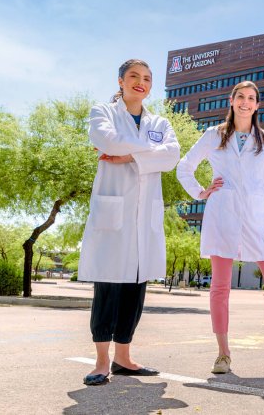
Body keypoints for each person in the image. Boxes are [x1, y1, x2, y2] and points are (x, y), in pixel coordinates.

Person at [176, 81, 264, 376]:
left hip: (260, 219)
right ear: (231, 101)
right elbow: (185, 166)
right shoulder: (214, 135)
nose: (246, 102)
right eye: (241, 97)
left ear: (257, 105)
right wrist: (200, 192)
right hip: (224, 215)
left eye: (251, 98)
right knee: (220, 287)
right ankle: (223, 354)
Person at [78, 59, 181, 385]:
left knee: (135, 290)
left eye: (147, 78)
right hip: (114, 214)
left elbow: (173, 155)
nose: (141, 82)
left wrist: (129, 156)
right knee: (108, 287)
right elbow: (107, 141)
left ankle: (124, 358)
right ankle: (101, 361)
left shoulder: (159, 121)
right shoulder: (104, 112)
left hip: (143, 219)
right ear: (121, 81)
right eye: (134, 76)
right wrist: (149, 152)